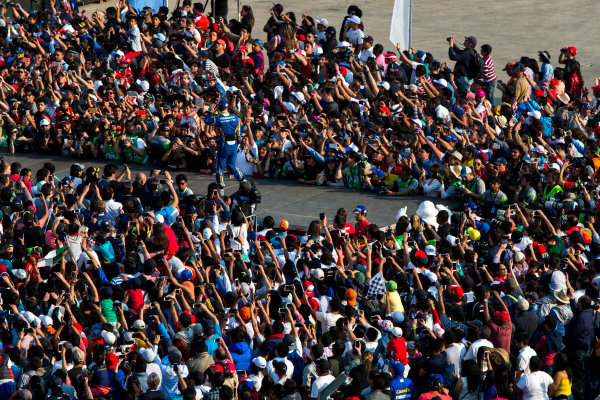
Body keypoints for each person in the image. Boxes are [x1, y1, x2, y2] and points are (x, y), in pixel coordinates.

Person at [204, 99, 245, 194]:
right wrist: (237, 144)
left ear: (218, 108)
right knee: (231, 166)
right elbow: (239, 134)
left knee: (219, 167)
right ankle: (242, 179)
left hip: (224, 146)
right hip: (234, 145)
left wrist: (210, 111)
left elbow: (207, 121)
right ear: (227, 107)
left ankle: (221, 187)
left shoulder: (218, 119)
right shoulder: (235, 118)